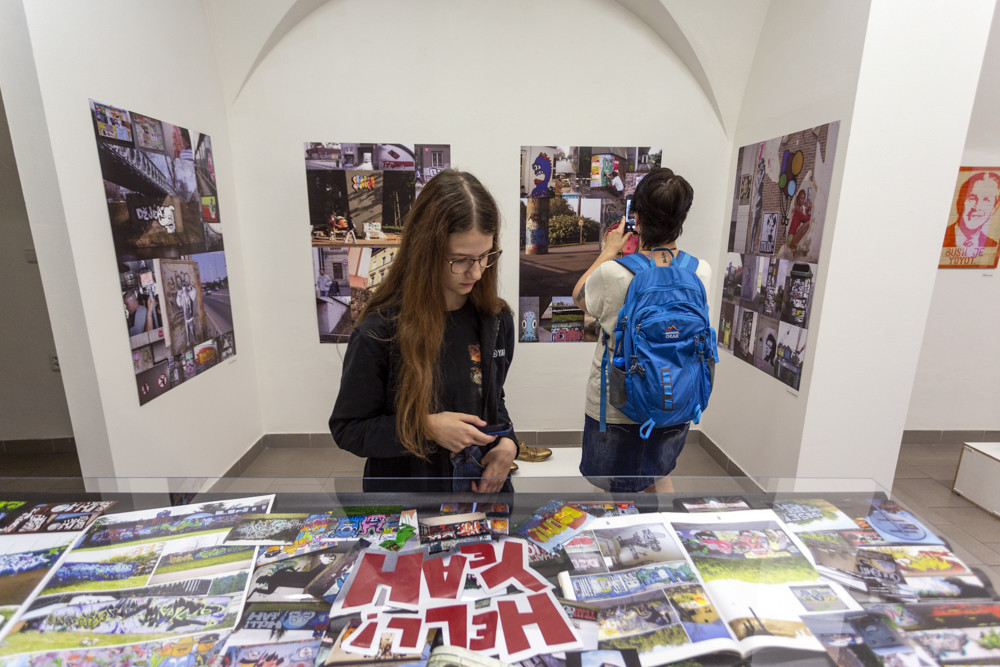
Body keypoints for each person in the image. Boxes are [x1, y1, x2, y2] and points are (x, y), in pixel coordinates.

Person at [329, 170, 519, 493]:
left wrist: (508, 444)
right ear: (425, 251)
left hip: (479, 495)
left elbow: (492, 399)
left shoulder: (496, 320)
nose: (476, 272)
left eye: (485, 256)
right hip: (409, 501)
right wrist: (425, 428)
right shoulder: (379, 332)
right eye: (460, 260)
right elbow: (349, 429)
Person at [571, 168, 710, 493]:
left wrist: (609, 250)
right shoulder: (700, 271)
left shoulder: (613, 272)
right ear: (682, 218)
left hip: (617, 406)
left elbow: (579, 297)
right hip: (676, 399)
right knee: (658, 476)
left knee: (613, 488)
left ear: (637, 217)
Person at [942, 171, 1000, 255]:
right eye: (972, 198)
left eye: (986, 200)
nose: (977, 207)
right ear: (961, 202)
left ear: (994, 208)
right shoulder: (941, 237)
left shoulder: (993, 246)